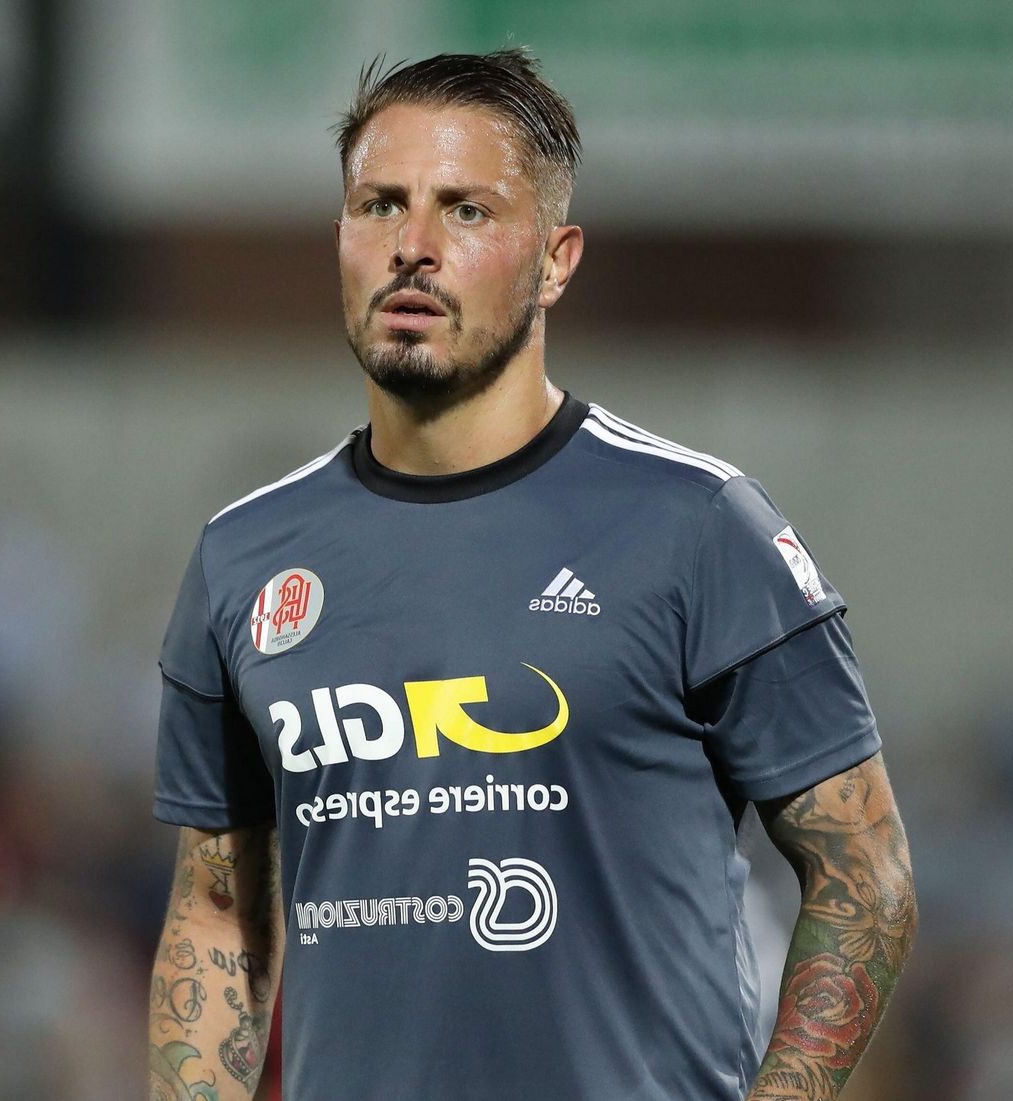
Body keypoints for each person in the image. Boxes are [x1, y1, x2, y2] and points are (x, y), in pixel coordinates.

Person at [147, 48, 917, 1101]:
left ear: (556, 261)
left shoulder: (698, 525)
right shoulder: (243, 558)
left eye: (466, 211)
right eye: (380, 205)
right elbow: (217, 911)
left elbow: (864, 873)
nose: (412, 247)